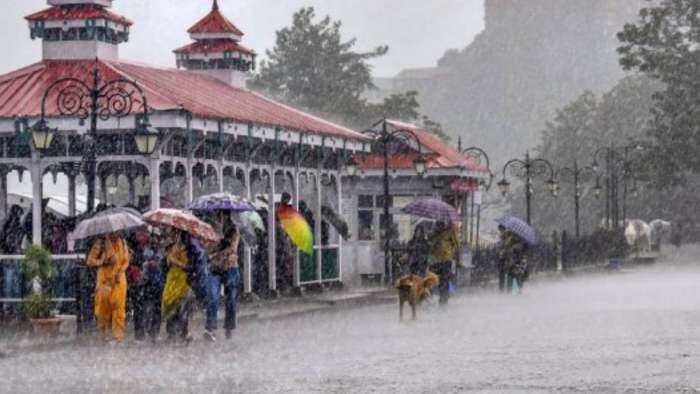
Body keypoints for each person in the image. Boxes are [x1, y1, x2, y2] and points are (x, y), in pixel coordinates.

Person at [86, 232, 131, 342]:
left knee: (119, 309)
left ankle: (118, 336)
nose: (116, 233)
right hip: (104, 282)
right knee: (103, 310)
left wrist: (119, 272)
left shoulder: (123, 242)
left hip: (119, 281)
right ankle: (103, 334)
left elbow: (126, 261)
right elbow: (90, 261)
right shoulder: (100, 243)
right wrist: (104, 261)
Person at [205, 212, 241, 341]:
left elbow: (233, 248)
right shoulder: (211, 229)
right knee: (213, 297)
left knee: (231, 299)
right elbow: (207, 248)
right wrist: (215, 243)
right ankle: (211, 328)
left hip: (230, 267)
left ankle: (229, 326)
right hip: (215, 268)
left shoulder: (234, 229)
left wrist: (219, 249)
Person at [162, 230, 196, 344]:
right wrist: (169, 258)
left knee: (182, 307)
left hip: (184, 281)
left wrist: (176, 262)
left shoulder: (191, 249)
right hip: (172, 280)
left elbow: (190, 267)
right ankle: (171, 332)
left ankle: (184, 332)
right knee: (170, 304)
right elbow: (167, 264)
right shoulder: (171, 247)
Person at [133, 233, 164, 342]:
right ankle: (140, 333)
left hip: (158, 283)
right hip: (144, 283)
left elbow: (164, 264)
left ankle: (154, 332)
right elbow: (136, 262)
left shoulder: (163, 250)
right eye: (152, 237)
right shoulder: (139, 249)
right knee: (142, 309)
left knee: (156, 309)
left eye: (156, 237)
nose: (154, 240)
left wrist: (157, 263)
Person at [429, 221, 459, 305]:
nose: (438, 228)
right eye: (437, 226)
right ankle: (442, 296)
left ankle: (444, 299)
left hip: (447, 259)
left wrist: (451, 253)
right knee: (438, 280)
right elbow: (431, 248)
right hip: (437, 260)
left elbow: (456, 244)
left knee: (444, 279)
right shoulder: (435, 235)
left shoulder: (450, 232)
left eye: (439, 226)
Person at [496, 225, 508, 292]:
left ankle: (503, 287)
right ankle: (501, 288)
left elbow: (506, 247)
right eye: (500, 230)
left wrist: (503, 250)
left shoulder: (506, 238)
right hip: (500, 257)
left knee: (504, 273)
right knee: (501, 273)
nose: (500, 231)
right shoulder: (500, 237)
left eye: (501, 230)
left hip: (505, 258)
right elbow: (498, 246)